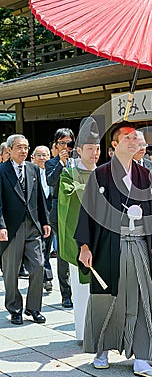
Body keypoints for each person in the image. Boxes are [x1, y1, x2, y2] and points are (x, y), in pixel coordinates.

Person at [75, 121, 152, 377]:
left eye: (136, 138)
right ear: (115, 145)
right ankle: (102, 349)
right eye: (127, 138)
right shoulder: (102, 174)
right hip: (109, 244)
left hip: (139, 243)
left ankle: (142, 358)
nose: (134, 141)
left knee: (142, 298)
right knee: (109, 297)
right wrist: (85, 246)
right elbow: (88, 211)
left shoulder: (145, 175)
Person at [0, 134, 51, 325]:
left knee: (38, 266)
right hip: (11, 228)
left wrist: (45, 222)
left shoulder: (33, 169)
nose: (24, 151)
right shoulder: (2, 171)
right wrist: (1, 226)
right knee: (11, 271)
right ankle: (15, 309)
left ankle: (34, 308)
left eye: (26, 147)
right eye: (20, 147)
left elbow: (39, 198)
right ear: (10, 150)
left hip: (32, 226)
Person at [58, 117, 101, 342]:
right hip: (81, 240)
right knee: (83, 289)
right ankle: (85, 332)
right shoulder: (69, 174)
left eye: (97, 149)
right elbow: (70, 206)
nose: (95, 153)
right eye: (90, 149)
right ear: (80, 150)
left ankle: (104, 332)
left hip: (103, 240)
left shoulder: (105, 172)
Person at [45, 128, 75, 308]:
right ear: (55, 145)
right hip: (59, 211)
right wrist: (61, 163)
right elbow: (51, 182)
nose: (65, 147)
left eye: (68, 143)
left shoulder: (79, 161)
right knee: (63, 253)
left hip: (77, 210)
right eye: (62, 143)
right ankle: (66, 293)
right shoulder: (52, 163)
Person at [32, 145, 54, 292]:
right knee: (41, 247)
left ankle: (44, 276)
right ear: (33, 158)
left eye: (45, 155)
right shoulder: (30, 173)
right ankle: (47, 276)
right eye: (39, 155)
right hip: (37, 217)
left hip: (51, 216)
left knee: (47, 247)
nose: (42, 158)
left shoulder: (54, 172)